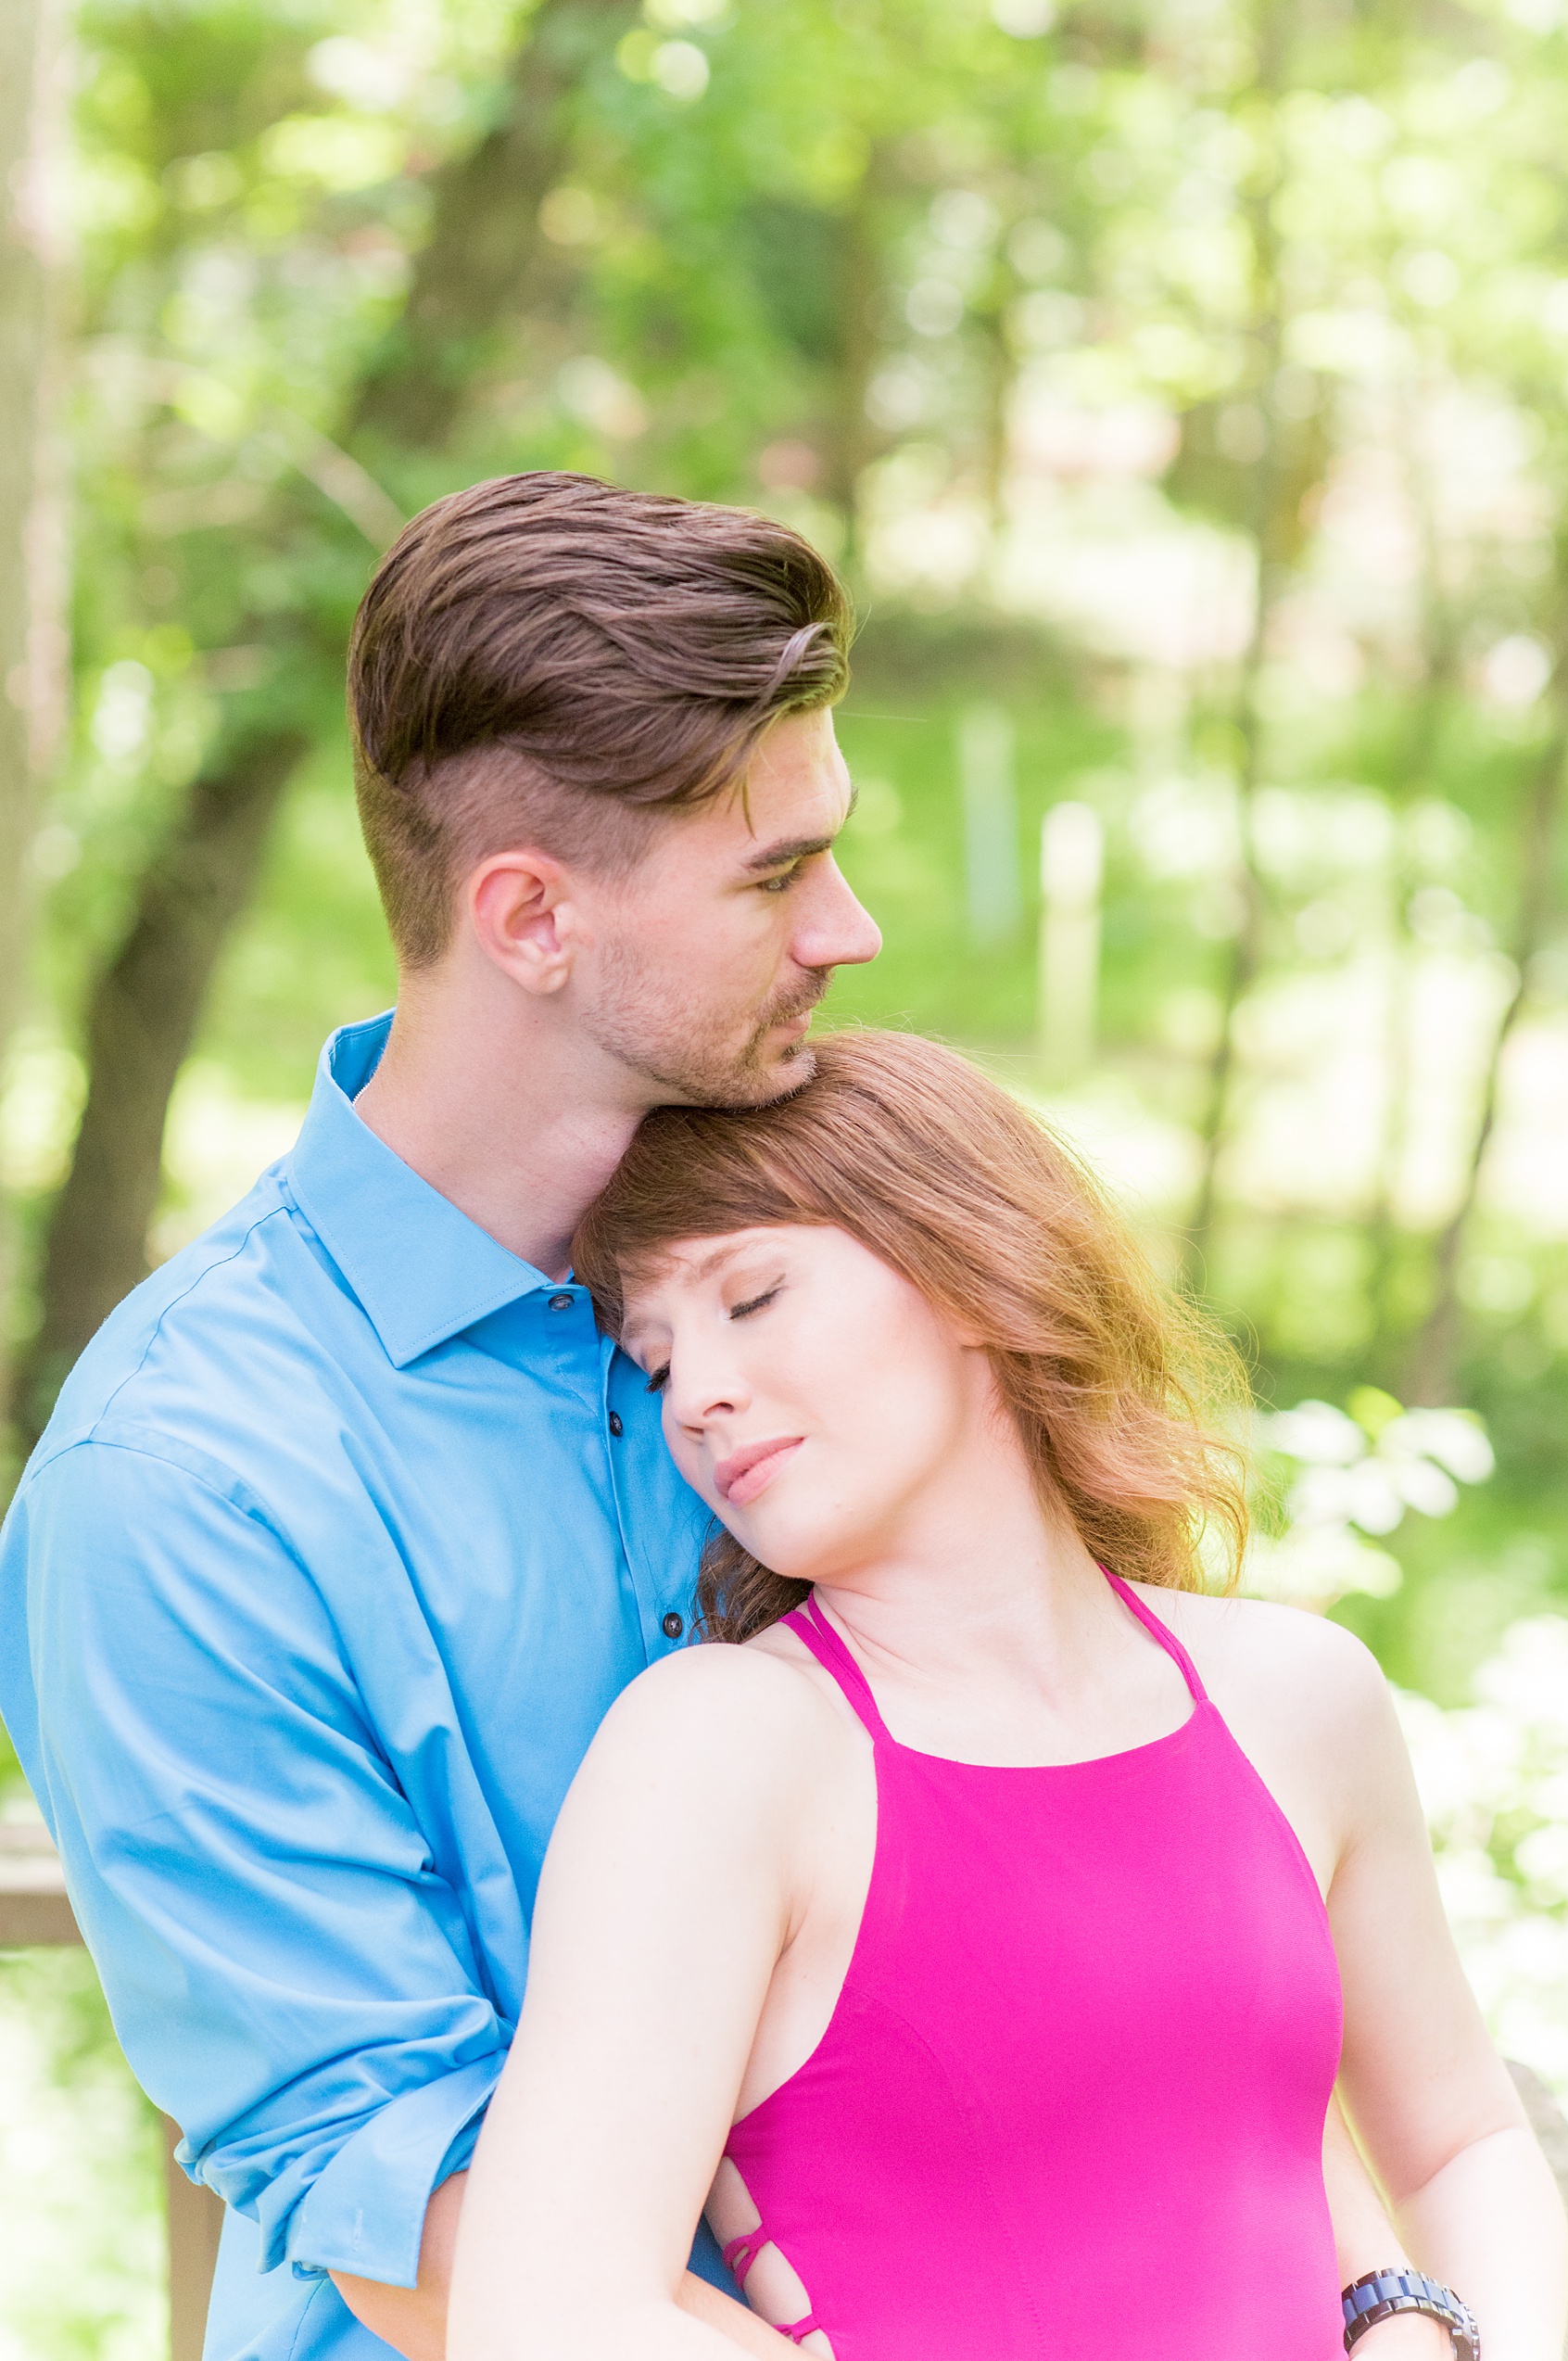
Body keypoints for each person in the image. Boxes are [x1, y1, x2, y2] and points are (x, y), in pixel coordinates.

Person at [0, 473, 879, 2361]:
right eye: (772, 874)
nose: (851, 927)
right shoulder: (179, 1488)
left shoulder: (848, 1284)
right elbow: (402, 2197)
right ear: (530, 916)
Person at [449, 1030, 1568, 2361]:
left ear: (969, 1268)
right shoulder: (725, 1747)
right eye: (652, 1358)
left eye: (749, 1299)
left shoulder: (1297, 1697)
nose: (696, 1392)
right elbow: (548, 2309)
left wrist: (1424, 2326)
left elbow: (1462, 2145)